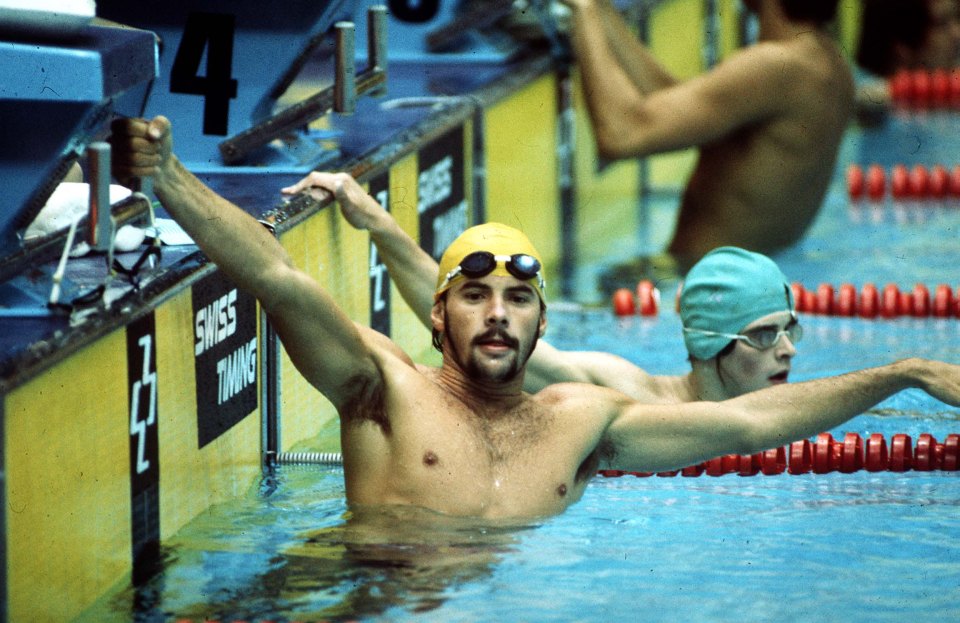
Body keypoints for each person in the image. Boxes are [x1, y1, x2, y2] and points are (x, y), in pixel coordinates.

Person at [111, 115, 960, 521]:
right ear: (436, 318)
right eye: (474, 295)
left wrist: (907, 371)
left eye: (518, 299)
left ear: (540, 326)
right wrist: (168, 176)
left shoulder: (583, 420)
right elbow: (278, 277)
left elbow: (744, 423)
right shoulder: (383, 389)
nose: (497, 314)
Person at [283, 173, 799, 404]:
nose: (788, 350)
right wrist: (376, 220)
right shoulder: (622, 395)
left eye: (788, 330)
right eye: (764, 334)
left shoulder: (800, 414)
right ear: (712, 340)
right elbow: (470, 326)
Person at [560, 0, 854, 275]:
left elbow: (621, 135)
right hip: (741, 278)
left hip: (702, 287)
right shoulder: (827, 61)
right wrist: (599, 9)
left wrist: (583, 12)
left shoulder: (777, 66)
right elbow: (672, 104)